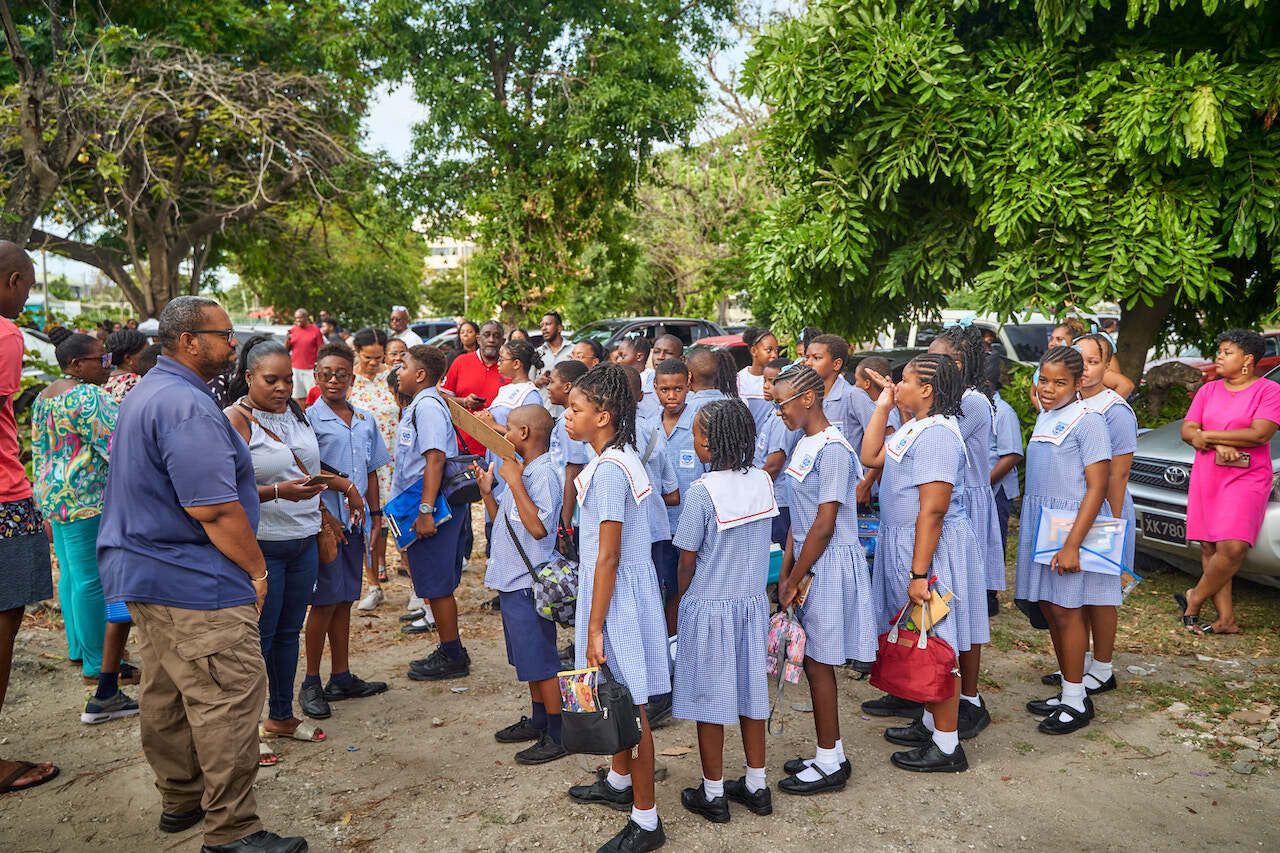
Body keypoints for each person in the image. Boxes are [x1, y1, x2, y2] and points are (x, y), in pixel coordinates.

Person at [98, 296, 308, 851]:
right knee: (229, 699)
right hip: (192, 581)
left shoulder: (153, 391)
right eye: (223, 334)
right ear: (190, 340)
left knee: (168, 692)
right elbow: (212, 508)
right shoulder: (185, 406)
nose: (232, 344)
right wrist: (258, 571)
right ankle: (233, 830)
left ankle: (182, 799)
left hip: (150, 574)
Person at [225, 338, 362, 755]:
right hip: (261, 545)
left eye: (288, 379)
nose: (283, 388)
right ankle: (247, 733)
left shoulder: (296, 413)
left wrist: (339, 489)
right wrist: (278, 493)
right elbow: (226, 488)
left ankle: (281, 716)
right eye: (271, 380)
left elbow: (305, 466)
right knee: (259, 638)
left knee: (287, 633)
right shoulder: (234, 420)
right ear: (248, 378)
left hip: (302, 540)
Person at [860, 354, 986, 772]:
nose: (898, 388)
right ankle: (932, 723)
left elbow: (932, 510)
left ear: (927, 390)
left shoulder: (937, 436)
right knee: (920, 633)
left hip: (930, 549)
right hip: (907, 543)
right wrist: (883, 406)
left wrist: (919, 574)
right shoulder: (916, 427)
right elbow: (871, 454)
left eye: (905, 382)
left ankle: (948, 747)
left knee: (937, 641)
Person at [564, 364, 670, 853]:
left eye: (575, 409)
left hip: (617, 600)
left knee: (633, 707)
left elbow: (607, 553)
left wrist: (594, 625)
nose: (567, 416)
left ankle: (646, 821)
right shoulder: (619, 457)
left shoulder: (609, 471)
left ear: (602, 416)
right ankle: (619, 780)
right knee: (617, 693)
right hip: (623, 592)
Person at [771, 364, 875, 795]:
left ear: (808, 399)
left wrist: (797, 576)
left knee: (819, 663)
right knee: (812, 660)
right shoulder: (806, 444)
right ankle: (826, 751)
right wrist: (786, 572)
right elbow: (801, 517)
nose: (779, 411)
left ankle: (831, 759)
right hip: (808, 562)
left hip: (828, 565)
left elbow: (825, 524)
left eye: (783, 402)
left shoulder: (833, 449)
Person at [672, 400, 776, 823]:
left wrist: (682, 598)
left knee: (708, 700)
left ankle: (713, 793)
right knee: (753, 693)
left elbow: (686, 558)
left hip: (710, 605)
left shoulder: (702, 492)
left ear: (711, 443)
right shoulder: (764, 482)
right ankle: (757, 784)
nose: (695, 442)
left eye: (698, 435)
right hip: (751, 604)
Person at [32, 331, 138, 723]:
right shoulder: (88, 397)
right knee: (94, 581)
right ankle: (97, 663)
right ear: (78, 365)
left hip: (55, 498)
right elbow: (116, 447)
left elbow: (42, 448)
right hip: (87, 500)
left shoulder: (46, 395)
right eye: (100, 360)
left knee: (74, 577)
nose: (106, 366)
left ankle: (80, 650)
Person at [1015, 345, 1113, 735]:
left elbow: (1098, 485)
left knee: (1068, 609)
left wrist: (1073, 542)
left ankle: (1076, 700)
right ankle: (1070, 688)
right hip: (1044, 521)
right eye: (1044, 380)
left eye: (1060, 383)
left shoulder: (1089, 421)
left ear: (1079, 383)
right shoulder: (1047, 415)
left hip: (1071, 524)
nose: (1050, 389)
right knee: (1052, 608)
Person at [1040, 332, 1135, 693]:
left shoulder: (1112, 411)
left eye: (1093, 360)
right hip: (1072, 508)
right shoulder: (1062, 408)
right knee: (1073, 598)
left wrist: (1108, 526)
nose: (1086, 366)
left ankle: (1103, 666)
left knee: (1099, 593)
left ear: (1106, 366)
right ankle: (1076, 666)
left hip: (1105, 509)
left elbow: (1116, 475)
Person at [300, 343, 389, 720]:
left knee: (345, 599)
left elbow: (370, 470)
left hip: (356, 523)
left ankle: (341, 675)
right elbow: (307, 471)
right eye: (326, 374)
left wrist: (375, 516)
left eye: (341, 374)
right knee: (323, 602)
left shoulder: (365, 419)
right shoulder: (307, 421)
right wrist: (325, 516)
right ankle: (310, 681)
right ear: (316, 377)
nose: (334, 380)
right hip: (326, 524)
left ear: (352, 378)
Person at [477, 404, 567, 764]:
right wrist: (488, 491)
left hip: (529, 584)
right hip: (511, 580)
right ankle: (540, 718)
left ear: (525, 434)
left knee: (542, 663)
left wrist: (513, 482)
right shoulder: (524, 469)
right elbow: (508, 524)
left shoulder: (541, 475)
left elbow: (538, 528)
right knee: (527, 662)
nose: (504, 434)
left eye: (509, 429)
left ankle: (559, 734)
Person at [0, 241, 58, 795]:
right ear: (14, 280)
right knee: (3, 622)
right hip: (3, 499)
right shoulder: (6, 333)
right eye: (28, 285)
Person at [1178, 329, 1280, 636]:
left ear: (1247, 359)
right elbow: (1187, 430)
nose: (1218, 357)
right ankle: (1225, 620)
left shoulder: (1268, 391)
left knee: (1233, 547)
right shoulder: (1209, 390)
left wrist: (1208, 436)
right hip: (1209, 471)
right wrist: (1210, 442)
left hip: (1247, 475)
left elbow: (1260, 433)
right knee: (1210, 544)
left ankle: (1194, 597)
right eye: (1219, 351)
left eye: (1226, 352)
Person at [926, 326, 1001, 733]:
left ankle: (968, 698)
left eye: (937, 360)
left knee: (963, 606)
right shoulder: (949, 401)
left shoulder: (968, 403)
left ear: (956, 364)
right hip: (949, 501)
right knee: (937, 608)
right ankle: (929, 691)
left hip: (964, 506)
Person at [397, 345, 473, 681]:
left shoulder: (427, 406)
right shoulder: (424, 404)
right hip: (422, 501)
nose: (398, 372)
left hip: (431, 505)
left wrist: (426, 510)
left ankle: (452, 654)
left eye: (403, 366)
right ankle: (450, 647)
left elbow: (435, 459)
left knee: (437, 583)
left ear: (421, 374)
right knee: (432, 580)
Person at [348, 328, 401, 611]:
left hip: (394, 461)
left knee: (400, 523)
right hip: (364, 465)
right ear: (358, 353)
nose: (374, 362)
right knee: (369, 525)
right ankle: (373, 584)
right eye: (368, 357)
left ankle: (417, 588)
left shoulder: (392, 375)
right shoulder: (350, 381)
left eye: (378, 357)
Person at [1029, 318, 1134, 411]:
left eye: (1059, 339)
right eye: (1051, 338)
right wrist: (1046, 413)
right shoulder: (1048, 365)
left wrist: (1104, 410)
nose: (1053, 343)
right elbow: (1033, 393)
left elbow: (1126, 385)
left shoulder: (1089, 372)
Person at [441, 320, 508, 455]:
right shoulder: (461, 362)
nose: (491, 340)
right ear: (478, 339)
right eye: (487, 335)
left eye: (496, 336)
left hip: (499, 450)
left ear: (503, 340)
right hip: (462, 448)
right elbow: (441, 397)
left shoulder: (509, 367)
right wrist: (464, 402)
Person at [755, 358, 801, 547]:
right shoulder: (772, 411)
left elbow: (774, 465)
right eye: (764, 380)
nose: (766, 386)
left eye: (772, 381)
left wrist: (753, 492)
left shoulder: (782, 419)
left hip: (779, 500)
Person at [545, 359, 592, 535]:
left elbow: (574, 468)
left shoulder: (569, 420)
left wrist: (565, 524)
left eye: (552, 382)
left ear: (567, 387)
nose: (548, 387)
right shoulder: (567, 417)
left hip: (571, 512)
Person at [989, 389, 1024, 557]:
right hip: (978, 490)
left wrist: (985, 484)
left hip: (996, 489)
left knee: (994, 546)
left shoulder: (1003, 411)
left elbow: (1012, 454)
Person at [737, 327, 780, 433]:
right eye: (769, 350)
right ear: (754, 351)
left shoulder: (781, 378)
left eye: (776, 350)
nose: (774, 355)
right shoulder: (739, 380)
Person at [285, 309, 325, 405]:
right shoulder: (293, 330)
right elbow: (286, 350)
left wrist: (319, 367)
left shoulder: (315, 330)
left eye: (300, 318)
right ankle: (301, 417)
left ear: (306, 318)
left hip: (310, 369)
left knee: (313, 397)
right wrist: (287, 339)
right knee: (297, 397)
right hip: (295, 369)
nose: (298, 320)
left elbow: (322, 350)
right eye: (296, 318)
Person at [104, 329, 149, 402]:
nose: (150, 357)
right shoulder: (139, 383)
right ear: (128, 358)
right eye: (146, 353)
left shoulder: (104, 382)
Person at [536, 312, 574, 381]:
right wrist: (537, 382)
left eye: (548, 324)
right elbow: (529, 383)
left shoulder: (574, 350)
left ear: (559, 328)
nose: (544, 328)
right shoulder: (538, 353)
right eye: (541, 325)